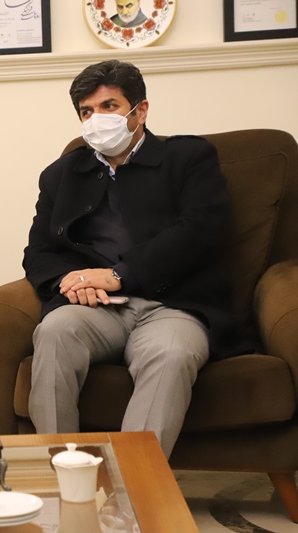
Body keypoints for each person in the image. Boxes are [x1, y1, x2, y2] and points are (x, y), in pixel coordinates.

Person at [23, 60, 252, 458]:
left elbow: (200, 231)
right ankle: (62, 471)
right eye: (87, 111)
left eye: (109, 106)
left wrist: (119, 274)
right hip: (97, 308)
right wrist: (71, 282)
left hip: (175, 304)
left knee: (171, 354)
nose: (97, 119)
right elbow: (39, 251)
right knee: (54, 332)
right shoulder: (61, 174)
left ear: (140, 110)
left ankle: (133, 483)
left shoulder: (189, 157)